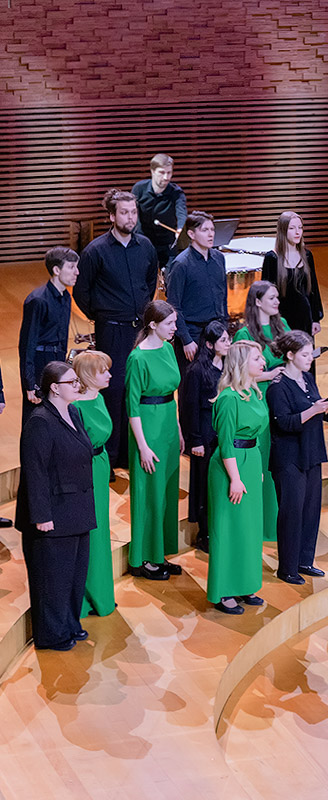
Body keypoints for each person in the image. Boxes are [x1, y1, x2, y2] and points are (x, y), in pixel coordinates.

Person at [75, 188, 159, 468]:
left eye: (133, 212)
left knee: (136, 387)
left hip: (139, 329)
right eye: (124, 212)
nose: (130, 217)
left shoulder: (145, 246)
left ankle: (130, 453)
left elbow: (150, 281)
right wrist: (103, 314)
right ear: (111, 216)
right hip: (111, 328)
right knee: (112, 390)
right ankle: (110, 457)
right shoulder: (95, 251)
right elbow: (81, 292)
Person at [17, 361, 96, 650]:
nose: (78, 385)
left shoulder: (73, 412)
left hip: (77, 510)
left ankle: (70, 625)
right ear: (54, 388)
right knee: (53, 581)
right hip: (52, 515)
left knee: (74, 577)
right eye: (72, 382)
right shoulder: (40, 420)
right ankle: (52, 635)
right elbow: (34, 471)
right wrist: (41, 516)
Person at [208, 340, 269, 615]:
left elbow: (255, 438)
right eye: (257, 358)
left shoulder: (254, 393)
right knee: (229, 530)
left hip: (251, 460)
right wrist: (235, 478)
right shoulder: (229, 398)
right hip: (230, 467)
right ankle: (223, 591)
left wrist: (255, 470)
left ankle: (245, 584)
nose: (263, 363)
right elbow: (226, 442)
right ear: (242, 363)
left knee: (249, 529)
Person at [268, 331, 328, 580]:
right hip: (289, 458)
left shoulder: (307, 378)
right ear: (290, 355)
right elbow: (283, 422)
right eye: (305, 354)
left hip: (311, 451)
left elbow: (313, 406)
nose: (310, 358)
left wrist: (324, 406)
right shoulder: (278, 386)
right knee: (291, 513)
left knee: (310, 510)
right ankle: (287, 568)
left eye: (311, 353)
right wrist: (313, 410)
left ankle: (305, 561)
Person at [125, 300, 183, 581]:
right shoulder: (137, 358)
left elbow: (173, 393)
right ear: (153, 325)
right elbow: (132, 406)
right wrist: (143, 446)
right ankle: (144, 558)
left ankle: (160, 552)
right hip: (148, 429)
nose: (175, 328)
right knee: (149, 493)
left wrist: (179, 430)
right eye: (170, 323)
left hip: (168, 427)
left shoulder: (169, 349)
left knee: (167, 491)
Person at [233, 281, 289, 541]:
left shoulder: (283, 325)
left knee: (281, 458)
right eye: (272, 298)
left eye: (277, 297)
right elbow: (238, 375)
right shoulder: (244, 335)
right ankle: (264, 524)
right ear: (257, 301)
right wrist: (269, 374)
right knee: (264, 459)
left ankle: (280, 519)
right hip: (260, 399)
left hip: (283, 399)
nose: (277, 302)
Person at [180, 321, 229, 553]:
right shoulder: (196, 370)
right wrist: (195, 440)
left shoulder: (228, 367)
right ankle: (204, 532)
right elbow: (188, 408)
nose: (228, 344)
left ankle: (219, 527)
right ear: (209, 344)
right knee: (203, 484)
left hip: (222, 432)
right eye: (223, 341)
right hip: (204, 433)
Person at [73, 352, 116, 618]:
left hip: (100, 466)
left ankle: (101, 594)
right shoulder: (75, 406)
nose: (110, 374)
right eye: (103, 371)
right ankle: (86, 597)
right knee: (90, 530)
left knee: (101, 528)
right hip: (84, 471)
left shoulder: (98, 398)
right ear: (88, 375)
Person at [19, 246, 78, 421]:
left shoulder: (66, 297)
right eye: (72, 267)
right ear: (56, 270)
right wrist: (30, 384)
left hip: (57, 362)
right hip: (40, 365)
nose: (77, 272)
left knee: (56, 416)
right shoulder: (37, 300)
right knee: (35, 417)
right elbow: (27, 345)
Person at [166, 211, 228, 366]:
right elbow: (174, 306)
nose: (210, 234)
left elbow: (223, 297)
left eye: (212, 230)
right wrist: (186, 340)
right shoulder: (181, 264)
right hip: (193, 334)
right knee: (192, 383)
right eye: (205, 230)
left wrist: (224, 329)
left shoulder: (219, 258)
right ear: (191, 234)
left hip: (216, 331)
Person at [261, 211, 323, 340]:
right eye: (292, 228)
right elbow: (265, 293)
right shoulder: (272, 258)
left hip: (305, 317)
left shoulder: (307, 255)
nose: (297, 232)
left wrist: (316, 319)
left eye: (300, 228)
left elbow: (313, 289)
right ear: (283, 231)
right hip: (281, 319)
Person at [131, 153, 187, 269]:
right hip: (143, 243)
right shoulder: (139, 189)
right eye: (162, 172)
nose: (166, 177)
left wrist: (181, 228)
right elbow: (133, 214)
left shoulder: (176, 192)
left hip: (167, 244)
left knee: (171, 278)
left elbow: (181, 211)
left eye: (169, 173)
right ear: (152, 171)